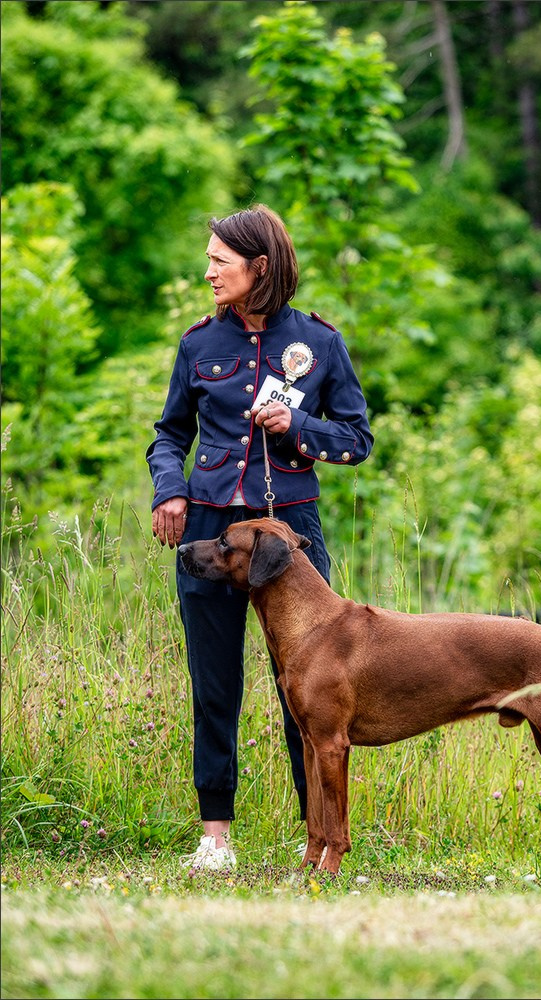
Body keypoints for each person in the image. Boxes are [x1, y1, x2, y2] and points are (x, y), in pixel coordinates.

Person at [147, 205, 373, 871]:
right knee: (213, 685)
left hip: (289, 535)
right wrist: (170, 489)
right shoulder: (198, 344)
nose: (208, 271)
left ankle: (322, 837)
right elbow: (170, 434)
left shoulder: (319, 343)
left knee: (306, 689)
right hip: (212, 533)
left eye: (221, 260)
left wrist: (297, 429)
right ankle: (214, 837)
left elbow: (356, 440)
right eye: (210, 259)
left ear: (260, 267)